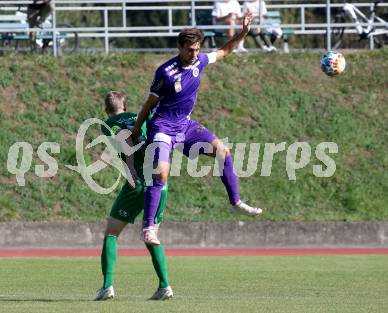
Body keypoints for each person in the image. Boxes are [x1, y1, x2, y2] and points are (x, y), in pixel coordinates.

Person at [131, 11, 263, 246]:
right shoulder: (165, 72)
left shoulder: (200, 61)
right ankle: (149, 228)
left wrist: (243, 32)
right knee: (161, 174)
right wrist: (135, 131)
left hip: (186, 125)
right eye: (190, 50)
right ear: (180, 48)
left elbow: (224, 51)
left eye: (197, 49)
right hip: (162, 127)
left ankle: (235, 203)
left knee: (223, 151)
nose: (195, 54)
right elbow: (149, 104)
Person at [94, 91, 173, 301]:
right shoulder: (144, 116)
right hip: (158, 180)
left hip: (136, 182)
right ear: (126, 105)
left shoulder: (107, 124)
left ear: (106, 109)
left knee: (111, 233)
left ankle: (107, 286)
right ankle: (164, 285)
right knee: (151, 235)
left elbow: (127, 143)